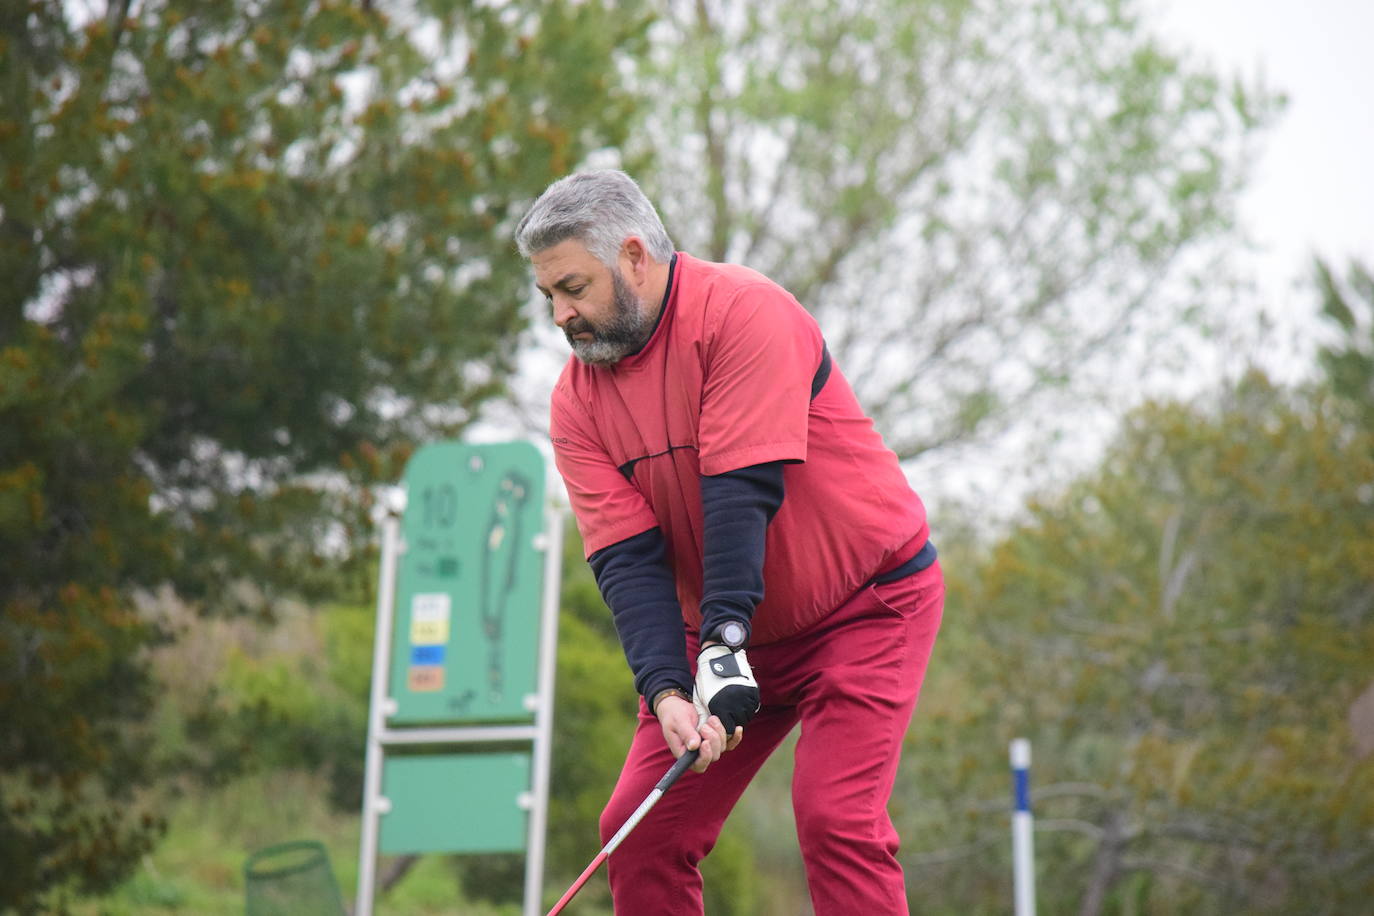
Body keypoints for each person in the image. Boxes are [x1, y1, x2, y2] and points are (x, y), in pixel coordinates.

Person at [516, 169, 944, 915]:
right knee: (637, 832)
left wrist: (722, 643)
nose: (560, 314)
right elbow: (628, 561)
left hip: (867, 604)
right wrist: (668, 688)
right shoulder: (575, 404)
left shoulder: (744, 313)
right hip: (726, 629)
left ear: (634, 256)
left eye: (574, 287)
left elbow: (740, 496)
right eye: (549, 295)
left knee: (835, 818)